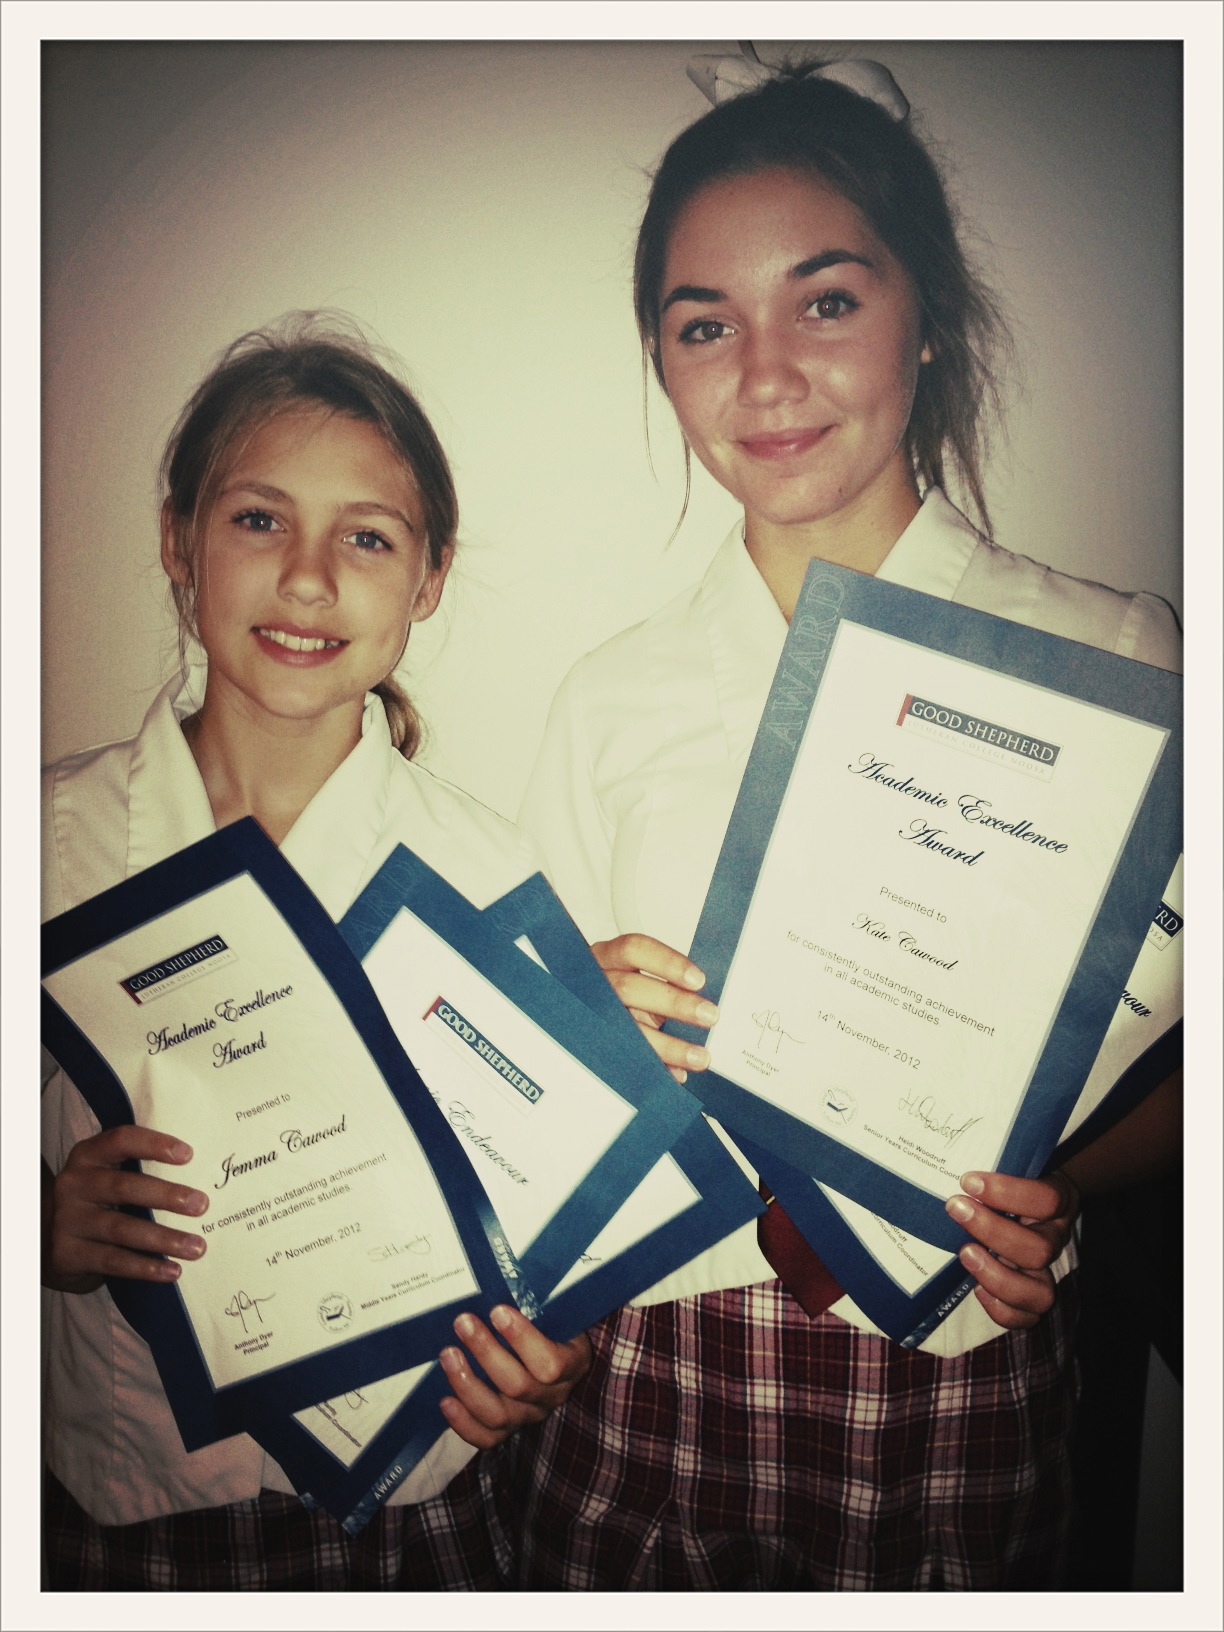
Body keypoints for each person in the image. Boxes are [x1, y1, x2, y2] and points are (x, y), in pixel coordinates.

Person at [515, 58, 1182, 1590]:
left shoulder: (1123, 661)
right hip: (652, 1362)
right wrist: (574, 1030)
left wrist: (1071, 1181)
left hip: (958, 1368)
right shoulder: (610, 701)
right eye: (704, 325)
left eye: (824, 301)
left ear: (925, 316)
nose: (765, 377)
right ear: (662, 362)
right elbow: (542, 1106)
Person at [40, 314, 591, 1590]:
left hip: (416, 1514)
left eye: (367, 537)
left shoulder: (487, 873)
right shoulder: (51, 841)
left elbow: (545, 1212)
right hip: (119, 1510)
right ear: (177, 542)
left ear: (429, 580)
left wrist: (550, 1358)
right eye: (258, 520)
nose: (306, 579)